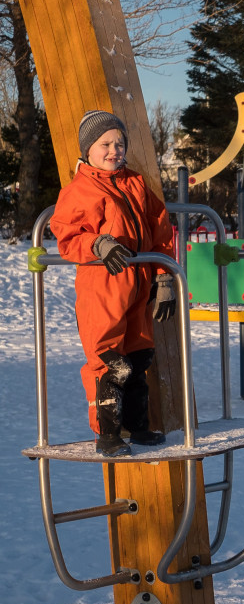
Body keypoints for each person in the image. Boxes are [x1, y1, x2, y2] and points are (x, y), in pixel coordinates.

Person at [50, 110, 176, 458]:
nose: (113, 150)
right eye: (105, 143)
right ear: (88, 149)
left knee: (138, 356)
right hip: (102, 286)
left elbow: (160, 229)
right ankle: (107, 432)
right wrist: (97, 243)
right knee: (109, 359)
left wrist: (164, 275)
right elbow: (66, 234)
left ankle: (137, 426)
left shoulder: (135, 182)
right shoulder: (80, 190)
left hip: (139, 285)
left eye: (119, 143)